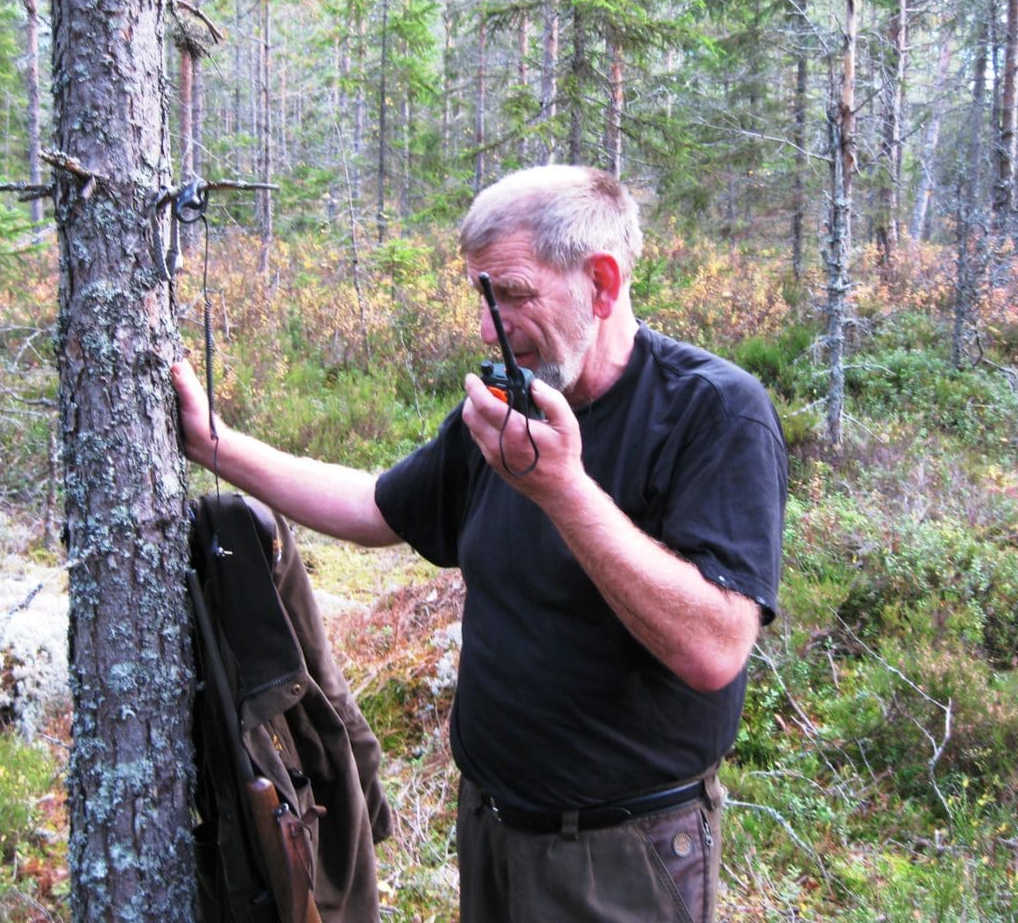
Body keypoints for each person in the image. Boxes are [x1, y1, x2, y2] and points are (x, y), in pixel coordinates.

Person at [171, 164, 787, 923]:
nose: (491, 329)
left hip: (625, 857)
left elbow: (715, 647)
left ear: (601, 282)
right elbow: (377, 506)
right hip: (493, 832)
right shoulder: (510, 405)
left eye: (515, 297)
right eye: (481, 298)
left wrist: (561, 490)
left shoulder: (715, 414)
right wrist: (215, 445)